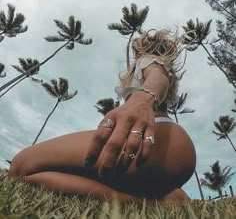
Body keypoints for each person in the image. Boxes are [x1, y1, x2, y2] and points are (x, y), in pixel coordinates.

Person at [8, 29, 196, 205]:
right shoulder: (162, 67)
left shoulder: (148, 61)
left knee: (21, 165)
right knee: (29, 174)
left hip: (157, 140)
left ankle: (142, 205)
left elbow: (157, 77)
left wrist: (142, 99)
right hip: (175, 149)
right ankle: (157, 198)